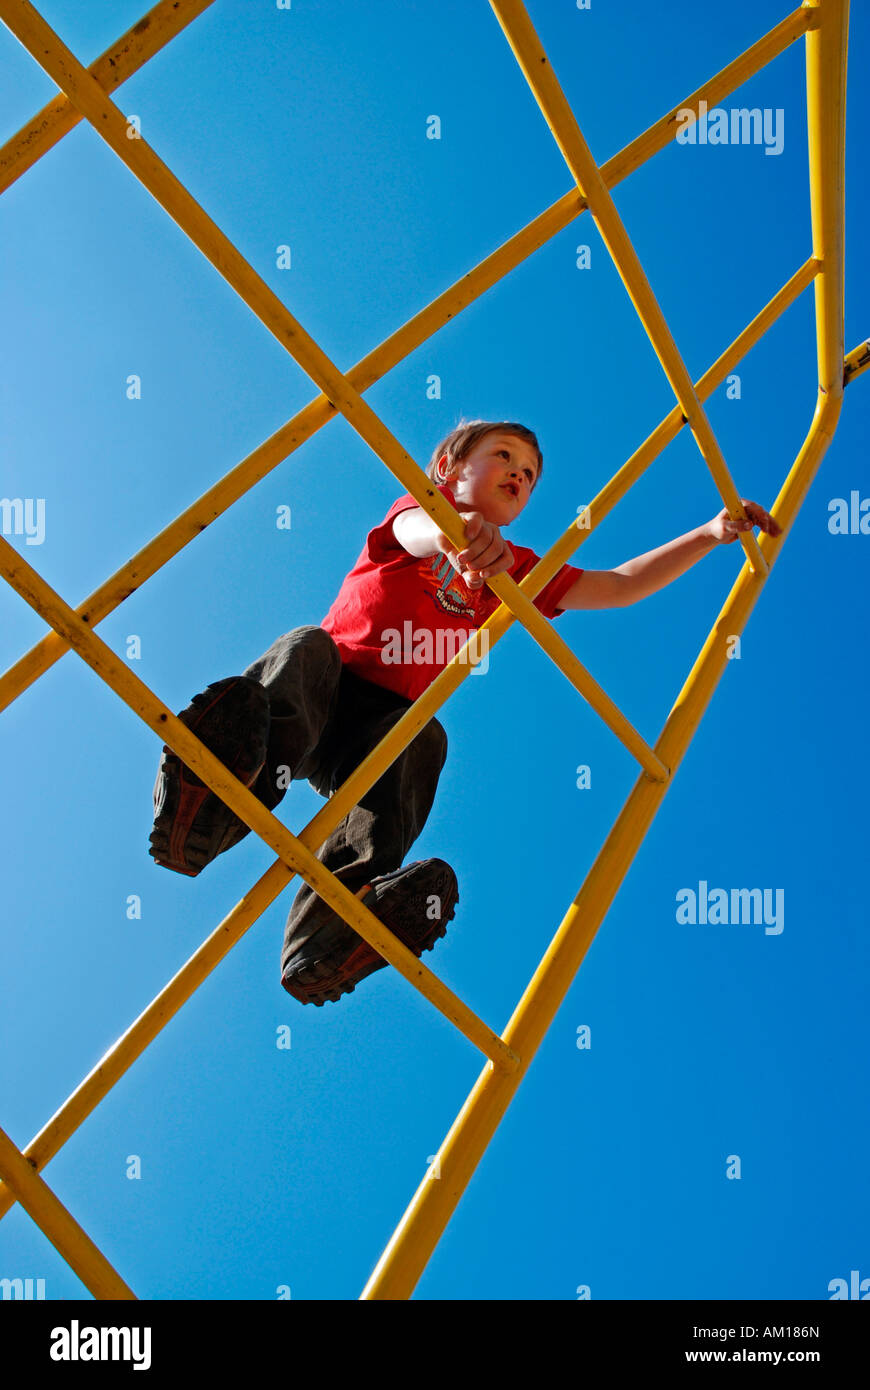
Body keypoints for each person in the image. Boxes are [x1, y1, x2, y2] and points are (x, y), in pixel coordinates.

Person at [149, 418, 781, 1006]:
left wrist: (708, 534)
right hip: (326, 687)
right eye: (503, 456)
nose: (519, 473)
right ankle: (219, 796)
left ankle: (330, 931)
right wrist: (453, 541)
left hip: (379, 728)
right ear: (450, 468)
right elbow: (413, 530)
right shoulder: (424, 511)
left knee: (425, 740)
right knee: (303, 647)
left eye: (530, 474)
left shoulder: (518, 570)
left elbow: (618, 585)